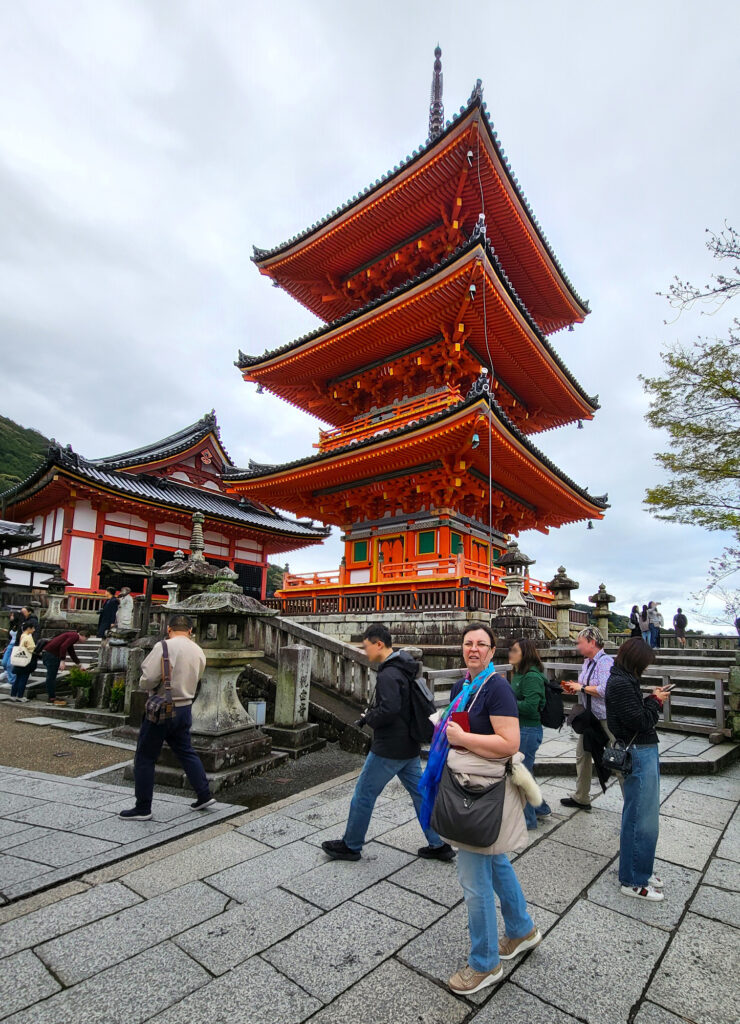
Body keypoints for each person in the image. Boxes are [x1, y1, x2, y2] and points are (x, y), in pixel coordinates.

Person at [431, 623, 541, 995]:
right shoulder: (468, 684)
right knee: (496, 861)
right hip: (471, 781)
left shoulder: (496, 688)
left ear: (493, 652)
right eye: (468, 643)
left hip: (479, 792)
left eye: (481, 644)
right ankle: (521, 929)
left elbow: (509, 743)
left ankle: (484, 963)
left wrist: (461, 738)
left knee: (474, 881)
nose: (473, 649)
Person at [322, 624, 453, 862]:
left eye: (367, 646)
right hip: (409, 744)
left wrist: (369, 718)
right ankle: (438, 843)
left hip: (390, 747)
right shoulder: (404, 668)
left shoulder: (388, 674)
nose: (365, 651)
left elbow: (389, 709)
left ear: (379, 644)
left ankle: (351, 845)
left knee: (364, 794)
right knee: (420, 794)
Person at [120, 614, 215, 820]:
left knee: (145, 756)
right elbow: (198, 677)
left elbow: (147, 679)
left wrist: (148, 685)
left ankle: (143, 807)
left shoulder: (164, 647)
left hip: (163, 706)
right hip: (185, 706)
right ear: (190, 630)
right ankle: (204, 794)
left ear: (169, 629)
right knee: (186, 750)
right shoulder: (198, 650)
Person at [606, 638, 671, 901]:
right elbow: (640, 721)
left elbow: (634, 714)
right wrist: (655, 701)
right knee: (640, 817)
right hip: (638, 752)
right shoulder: (622, 683)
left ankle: (640, 869)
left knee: (645, 816)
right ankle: (633, 879)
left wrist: (650, 697)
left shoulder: (623, 679)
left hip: (641, 750)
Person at [560, 626, 616, 811]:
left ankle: (632, 801)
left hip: (606, 718)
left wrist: (581, 688)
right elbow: (584, 684)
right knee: (582, 755)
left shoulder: (605, 662)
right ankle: (581, 796)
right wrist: (574, 686)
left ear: (592, 642)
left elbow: (604, 690)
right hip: (589, 717)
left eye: (580, 643)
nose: (578, 646)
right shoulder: (587, 663)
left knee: (615, 758)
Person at [508, 638, 552, 829]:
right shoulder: (517, 674)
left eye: (514, 650)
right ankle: (540, 807)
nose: (510, 653)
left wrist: (506, 703)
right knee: (526, 770)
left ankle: (528, 820)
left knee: (520, 773)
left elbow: (531, 707)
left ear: (524, 654)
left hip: (527, 730)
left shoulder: (532, 677)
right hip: (519, 728)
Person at [41, 629, 91, 705]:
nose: (85, 641)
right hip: (51, 655)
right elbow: (63, 647)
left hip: (49, 654)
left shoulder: (72, 636)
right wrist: (62, 660)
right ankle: (51, 698)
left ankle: (52, 696)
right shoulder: (75, 636)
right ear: (83, 636)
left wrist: (79, 664)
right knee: (51, 677)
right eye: (86, 639)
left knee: (51, 676)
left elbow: (71, 651)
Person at [10, 622, 36, 702]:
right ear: (29, 628)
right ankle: (20, 696)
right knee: (23, 679)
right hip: (26, 659)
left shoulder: (22, 635)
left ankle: (13, 695)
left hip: (19, 659)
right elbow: (31, 648)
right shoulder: (28, 637)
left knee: (18, 678)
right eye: (33, 628)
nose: (34, 630)